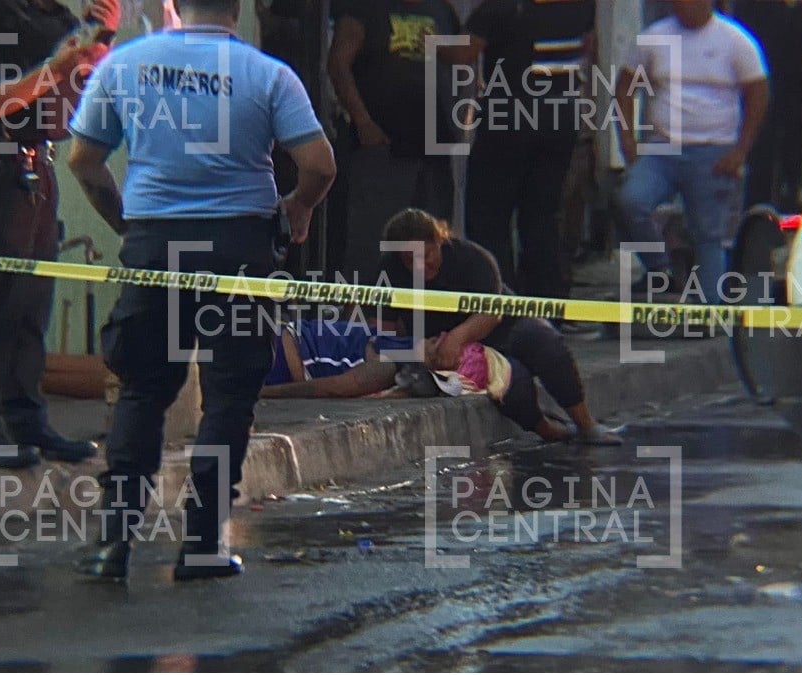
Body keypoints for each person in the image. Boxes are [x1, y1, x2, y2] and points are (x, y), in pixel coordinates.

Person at [67, 0, 336, 581]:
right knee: (230, 398)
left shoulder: (124, 64)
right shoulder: (268, 74)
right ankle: (203, 542)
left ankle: (114, 543)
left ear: (174, 7)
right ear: (236, 9)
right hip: (238, 249)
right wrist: (299, 209)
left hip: (155, 246)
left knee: (142, 390)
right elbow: (319, 163)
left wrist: (128, 224)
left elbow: (84, 161)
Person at [0, 0, 121, 469]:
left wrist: (101, 40)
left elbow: (80, 87)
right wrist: (55, 69)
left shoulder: (44, 14)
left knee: (33, 301)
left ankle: (25, 419)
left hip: (38, 165)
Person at [379, 208, 621, 444]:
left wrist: (458, 337)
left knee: (547, 344)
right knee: (513, 382)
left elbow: (491, 312)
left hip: (502, 326)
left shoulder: (472, 258)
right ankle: (547, 429)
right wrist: (415, 350)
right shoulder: (391, 270)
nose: (421, 267)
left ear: (440, 239)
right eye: (411, 261)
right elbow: (383, 326)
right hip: (448, 348)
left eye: (426, 256)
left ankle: (585, 423)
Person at [616, 0, 770, 304]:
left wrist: (740, 150)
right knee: (630, 201)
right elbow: (624, 88)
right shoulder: (654, 39)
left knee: (708, 235)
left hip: (713, 152)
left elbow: (758, 93)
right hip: (662, 149)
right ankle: (663, 269)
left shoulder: (735, 41)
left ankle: (709, 312)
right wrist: (628, 141)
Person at [444, 0, 596, 302]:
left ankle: (499, 300)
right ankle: (547, 303)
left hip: (510, 117)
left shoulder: (500, 7)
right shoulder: (582, 6)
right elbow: (590, 48)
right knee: (542, 216)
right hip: (562, 115)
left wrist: (430, 42)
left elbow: (464, 52)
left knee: (489, 216)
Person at [261, 320, 579, 442]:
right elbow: (335, 386)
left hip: (278, 355)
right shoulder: (395, 350)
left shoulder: (396, 363)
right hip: (279, 348)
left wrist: (262, 391)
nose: (443, 343)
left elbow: (337, 386)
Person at [327, 0, 460, 283]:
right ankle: (359, 319)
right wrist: (363, 122)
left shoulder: (442, 9)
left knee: (434, 239)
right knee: (371, 240)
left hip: (433, 145)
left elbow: (464, 59)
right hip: (382, 143)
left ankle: (425, 317)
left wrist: (464, 116)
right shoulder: (364, 9)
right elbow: (338, 64)